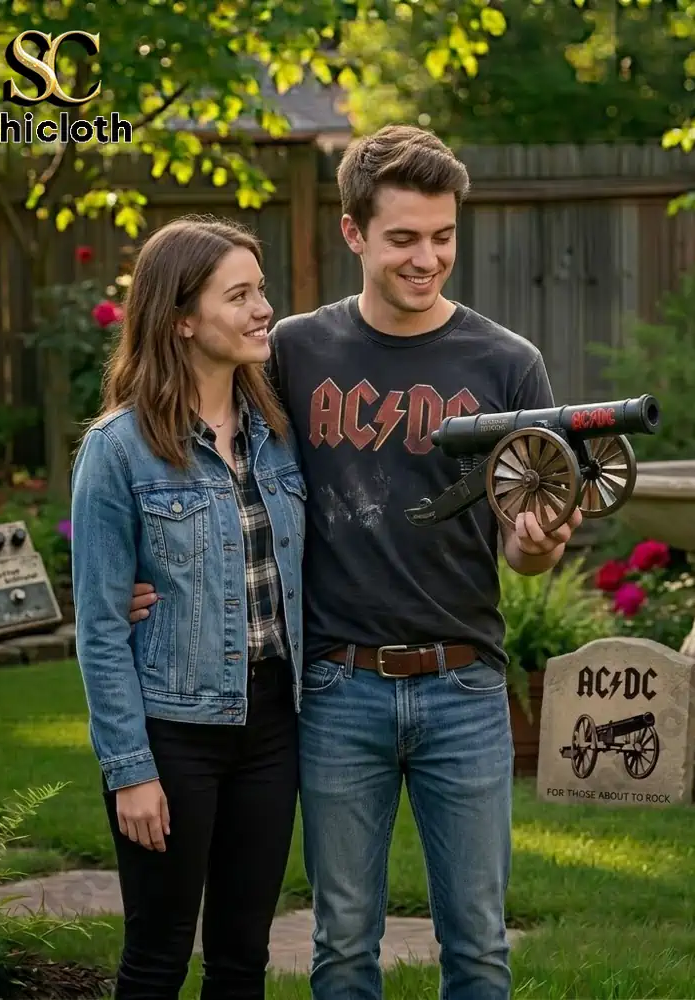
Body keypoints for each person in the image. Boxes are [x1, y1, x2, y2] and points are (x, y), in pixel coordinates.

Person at [128, 126, 579, 1000]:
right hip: (336, 688)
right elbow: (186, 440)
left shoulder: (508, 363)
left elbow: (531, 537)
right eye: (404, 237)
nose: (428, 258)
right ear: (353, 233)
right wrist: (157, 581)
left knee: (481, 946)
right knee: (341, 944)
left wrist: (534, 543)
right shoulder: (292, 353)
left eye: (443, 236)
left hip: (466, 686)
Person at [71, 215, 306, 1000]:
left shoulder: (279, 433)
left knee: (243, 957)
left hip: (274, 726)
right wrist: (130, 769)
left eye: (260, 291)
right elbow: (102, 630)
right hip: (174, 733)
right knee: (158, 956)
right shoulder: (119, 449)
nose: (262, 309)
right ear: (181, 319)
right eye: (238, 295)